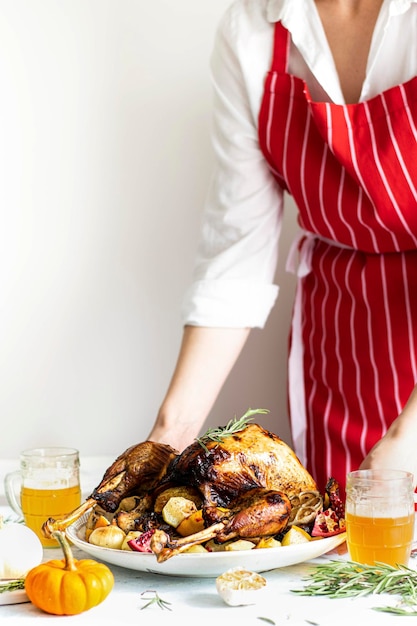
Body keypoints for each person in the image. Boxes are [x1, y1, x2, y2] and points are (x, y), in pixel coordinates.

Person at [147, 0, 417, 493]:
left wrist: (408, 431)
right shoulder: (249, 29)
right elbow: (237, 253)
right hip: (341, 341)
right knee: (340, 556)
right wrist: (171, 435)